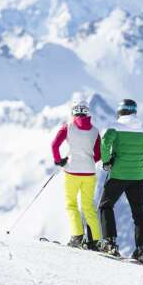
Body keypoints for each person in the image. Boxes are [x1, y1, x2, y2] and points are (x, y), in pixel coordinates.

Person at [98, 99, 143, 264]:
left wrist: (106, 162)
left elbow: (105, 143)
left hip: (118, 174)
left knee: (106, 206)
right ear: (134, 112)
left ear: (120, 112)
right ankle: (141, 251)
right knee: (139, 212)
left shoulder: (115, 127)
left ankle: (110, 243)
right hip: (137, 177)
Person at [51, 100, 102, 249]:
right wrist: (89, 161)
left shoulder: (67, 128)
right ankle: (96, 240)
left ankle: (77, 236)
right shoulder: (95, 131)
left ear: (73, 114)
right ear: (87, 114)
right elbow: (98, 154)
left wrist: (59, 160)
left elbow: (54, 145)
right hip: (89, 173)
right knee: (88, 207)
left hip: (72, 171)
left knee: (71, 204)